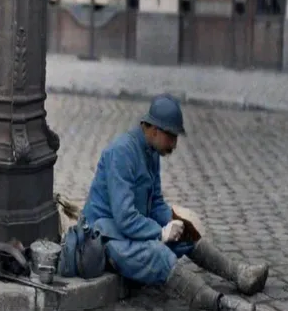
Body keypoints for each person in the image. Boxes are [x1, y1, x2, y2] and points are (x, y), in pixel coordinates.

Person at [82, 95, 269, 311]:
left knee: (186, 235)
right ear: (152, 129)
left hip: (126, 232)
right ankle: (219, 303)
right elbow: (124, 217)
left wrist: (177, 225)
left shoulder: (151, 151)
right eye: (171, 136)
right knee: (158, 254)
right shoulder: (122, 152)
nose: (174, 144)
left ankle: (239, 274)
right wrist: (160, 233)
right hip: (103, 240)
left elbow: (156, 203)